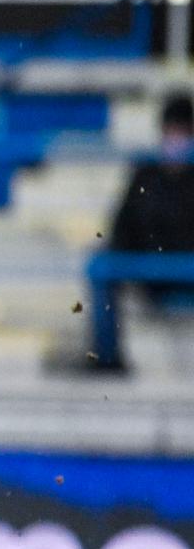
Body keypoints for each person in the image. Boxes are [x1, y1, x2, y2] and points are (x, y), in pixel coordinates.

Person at [88, 95, 194, 373]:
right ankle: (107, 359)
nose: (177, 139)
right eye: (172, 131)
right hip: (151, 275)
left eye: (183, 132)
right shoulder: (146, 174)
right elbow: (122, 227)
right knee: (100, 264)